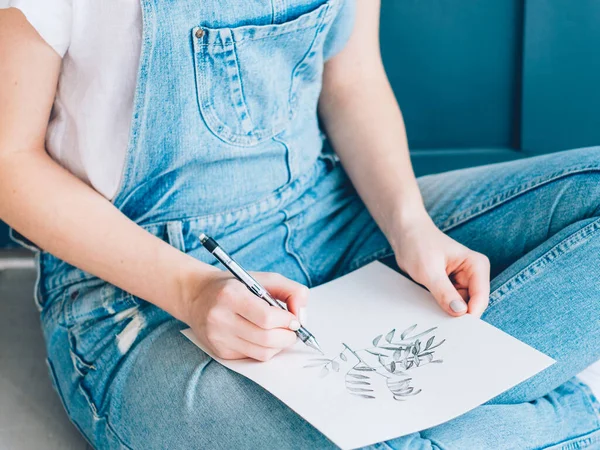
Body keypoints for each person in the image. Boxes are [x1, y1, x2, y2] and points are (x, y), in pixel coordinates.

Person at [0, 1, 599, 448]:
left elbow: (353, 80)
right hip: (138, 287)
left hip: (330, 214)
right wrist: (192, 289)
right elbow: (9, 164)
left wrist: (409, 225)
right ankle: (573, 417)